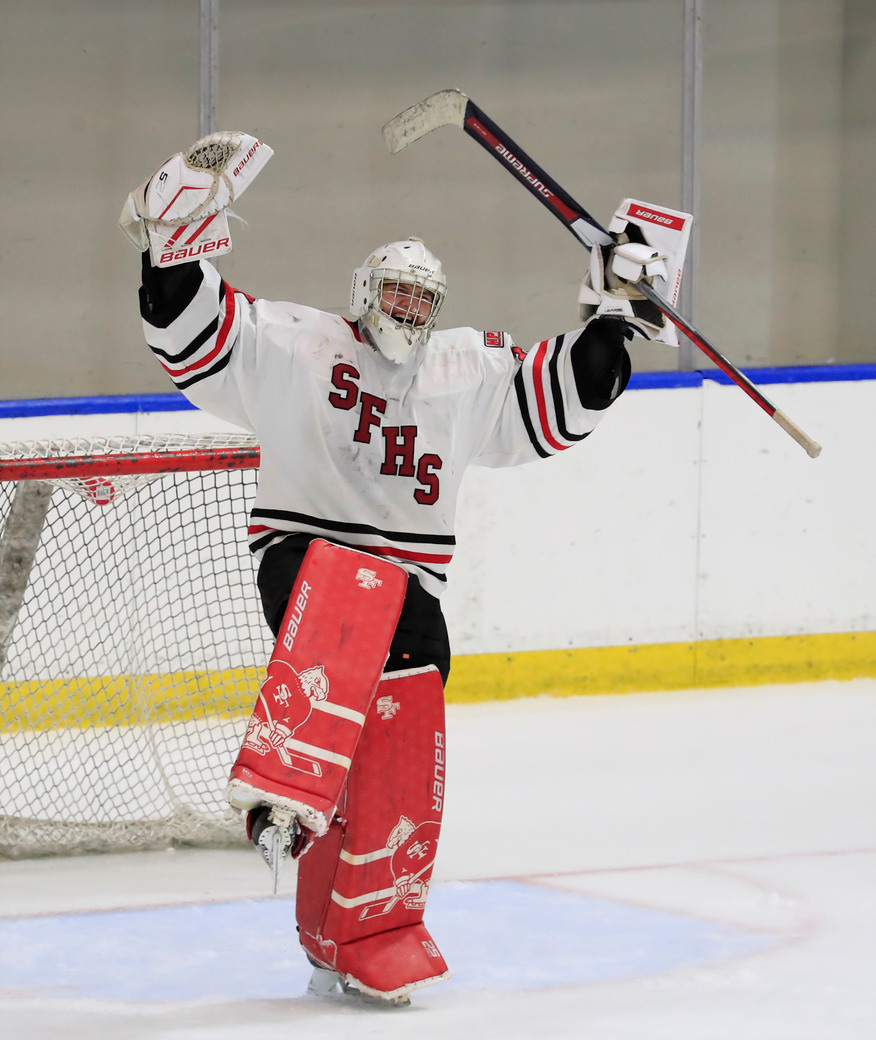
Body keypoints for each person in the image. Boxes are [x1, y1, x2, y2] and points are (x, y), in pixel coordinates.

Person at [121, 131, 661, 1006]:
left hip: (407, 584)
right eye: (394, 291)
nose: (407, 309)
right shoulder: (298, 343)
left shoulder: (464, 369)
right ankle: (282, 790)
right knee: (363, 598)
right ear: (363, 294)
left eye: (422, 297)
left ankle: (348, 929)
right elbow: (190, 333)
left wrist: (615, 315)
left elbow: (565, 399)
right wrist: (168, 244)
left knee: (402, 718)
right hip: (300, 555)